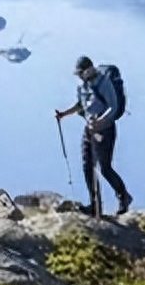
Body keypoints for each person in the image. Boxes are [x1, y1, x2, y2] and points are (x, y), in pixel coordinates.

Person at [55, 56, 133, 216]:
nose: (79, 76)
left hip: (105, 130)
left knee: (104, 168)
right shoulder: (83, 85)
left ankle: (123, 196)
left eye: (80, 73)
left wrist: (101, 120)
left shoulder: (104, 83)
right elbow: (81, 104)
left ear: (88, 70)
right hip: (90, 129)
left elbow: (113, 106)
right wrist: (64, 114)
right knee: (87, 166)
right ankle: (95, 205)